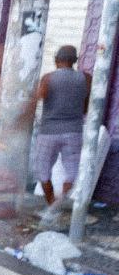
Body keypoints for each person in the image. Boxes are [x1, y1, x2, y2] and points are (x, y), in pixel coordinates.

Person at [33, 44, 92, 207]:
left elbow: (39, 98)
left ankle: (51, 204)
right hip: (74, 132)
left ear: (56, 59)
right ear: (75, 60)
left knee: (43, 171)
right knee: (72, 171)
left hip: (48, 132)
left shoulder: (48, 78)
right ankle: (60, 202)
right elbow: (85, 108)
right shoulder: (86, 78)